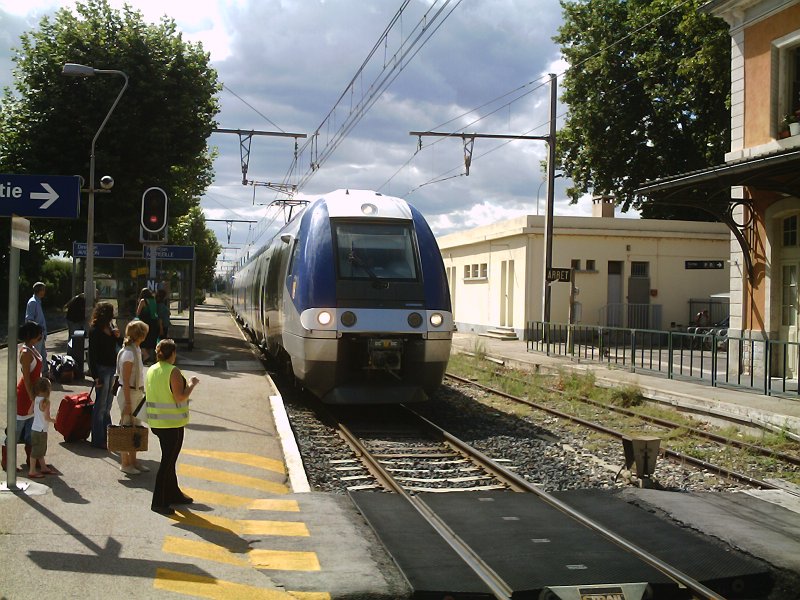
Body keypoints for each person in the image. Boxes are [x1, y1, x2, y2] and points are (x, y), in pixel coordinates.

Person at [146, 339, 199, 515]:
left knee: (170, 460)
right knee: (167, 463)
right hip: (172, 425)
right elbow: (180, 397)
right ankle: (159, 502)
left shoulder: (152, 369)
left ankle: (174, 493)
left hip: (157, 422)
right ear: (173, 354)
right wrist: (191, 384)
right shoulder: (173, 371)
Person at [2, 321, 43, 472]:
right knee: (16, 430)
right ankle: (7, 461)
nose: (40, 336)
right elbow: (26, 378)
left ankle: (30, 458)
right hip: (25, 395)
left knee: (31, 430)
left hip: (33, 394)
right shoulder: (26, 353)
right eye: (38, 334)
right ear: (31, 336)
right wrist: (31, 396)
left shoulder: (32, 349)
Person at [115, 320, 150, 475]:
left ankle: (134, 461)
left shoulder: (135, 349)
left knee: (135, 427)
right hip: (129, 393)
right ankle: (125, 462)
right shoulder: (128, 353)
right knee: (127, 428)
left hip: (136, 392)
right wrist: (128, 402)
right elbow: (126, 380)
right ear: (140, 335)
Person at [87, 302, 120, 450]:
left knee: (107, 405)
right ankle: (98, 439)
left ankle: (108, 437)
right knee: (100, 405)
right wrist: (95, 376)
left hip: (112, 368)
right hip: (101, 369)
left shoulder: (111, 328)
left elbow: (116, 347)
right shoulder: (95, 331)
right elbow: (92, 355)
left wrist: (117, 336)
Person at [29, 377, 55, 478]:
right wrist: (54, 420)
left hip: (34, 428)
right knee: (37, 451)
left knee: (39, 449)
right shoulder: (46, 402)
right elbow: (47, 417)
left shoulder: (35, 399)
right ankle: (32, 471)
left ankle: (43, 467)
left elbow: (29, 412)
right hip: (41, 429)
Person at [25, 282, 49, 379]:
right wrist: (37, 330)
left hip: (41, 333)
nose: (44, 292)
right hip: (36, 334)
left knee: (43, 354)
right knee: (37, 355)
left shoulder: (38, 302)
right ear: (39, 291)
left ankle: (45, 374)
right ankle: (36, 376)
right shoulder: (33, 302)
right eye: (43, 290)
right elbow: (29, 319)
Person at [135, 288, 161, 362]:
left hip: (145, 322)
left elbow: (138, 312)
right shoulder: (153, 300)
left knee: (142, 339)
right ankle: (152, 357)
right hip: (154, 323)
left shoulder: (143, 301)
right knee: (152, 340)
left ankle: (146, 355)